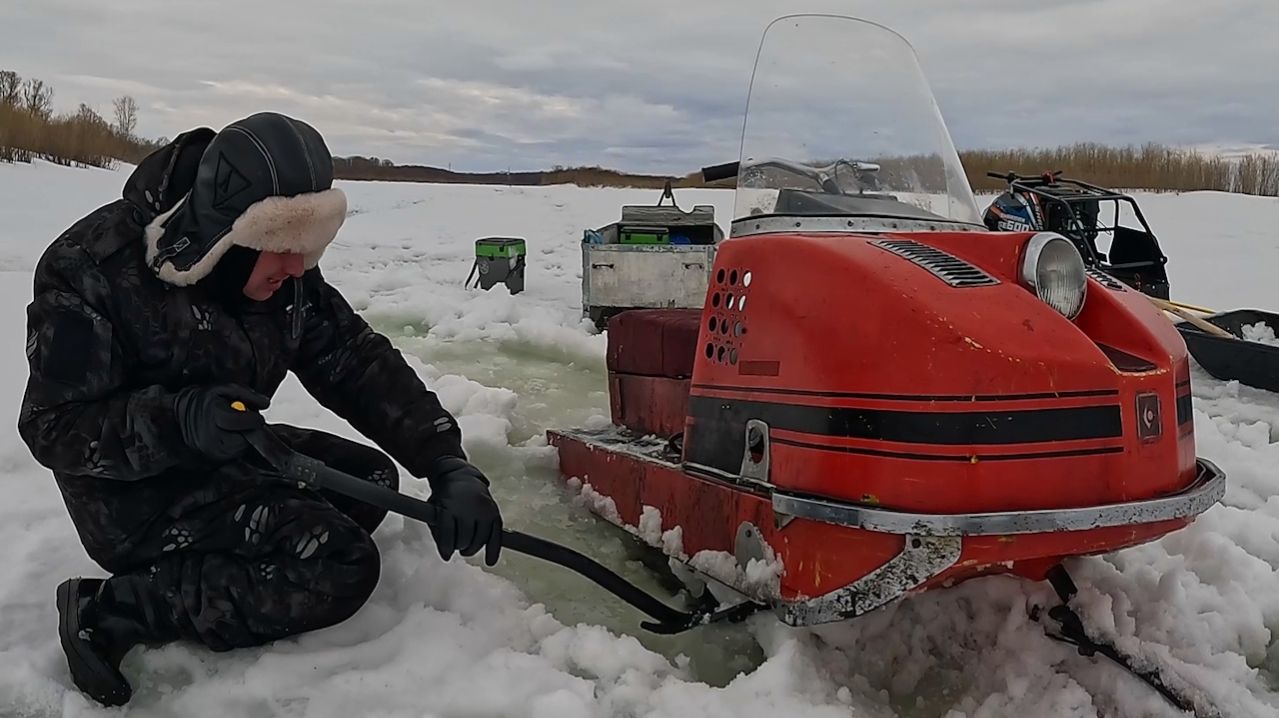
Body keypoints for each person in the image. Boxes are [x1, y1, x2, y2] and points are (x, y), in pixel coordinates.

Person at [18, 111, 504, 706]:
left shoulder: (281, 274)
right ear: (222, 235)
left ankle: (236, 547)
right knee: (339, 563)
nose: (298, 268)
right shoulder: (92, 268)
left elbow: (354, 360)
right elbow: (52, 427)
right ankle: (114, 608)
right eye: (282, 248)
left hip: (228, 450)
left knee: (371, 480)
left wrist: (447, 461)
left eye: (308, 247)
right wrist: (180, 421)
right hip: (130, 497)